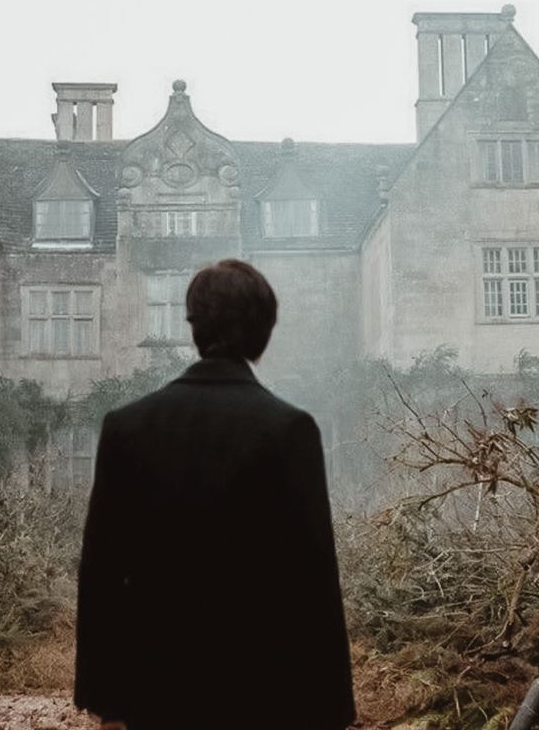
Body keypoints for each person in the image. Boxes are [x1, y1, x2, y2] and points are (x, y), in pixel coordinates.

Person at [74, 259, 356, 730]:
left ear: (194, 327)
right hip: (263, 689)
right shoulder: (289, 431)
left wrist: (106, 702)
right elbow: (312, 581)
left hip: (153, 687)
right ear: (262, 333)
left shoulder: (126, 427)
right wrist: (331, 709)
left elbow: (101, 573)